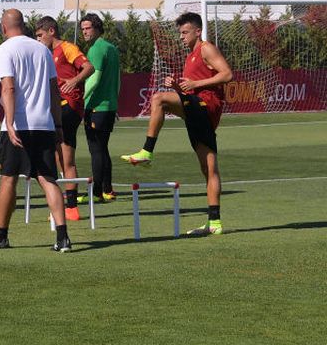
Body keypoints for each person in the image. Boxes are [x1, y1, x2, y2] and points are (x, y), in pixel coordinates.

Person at [121, 12, 232, 236]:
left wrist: (194, 83)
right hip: (196, 109)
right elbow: (191, 90)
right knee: (208, 168)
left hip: (206, 105)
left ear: (198, 31)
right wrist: (178, 87)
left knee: (158, 99)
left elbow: (227, 74)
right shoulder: (190, 56)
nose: (181, 37)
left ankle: (147, 151)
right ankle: (215, 222)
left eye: (184, 32)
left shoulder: (206, 48)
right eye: (179, 33)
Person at [0, 9, 71, 252]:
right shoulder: (43, 49)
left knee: (9, 179)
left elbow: (8, 88)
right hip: (44, 124)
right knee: (48, 179)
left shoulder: (4, 49)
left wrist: (9, 123)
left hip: (19, 125)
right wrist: (58, 125)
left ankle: (1, 236)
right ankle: (62, 237)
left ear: (3, 27)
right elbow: (54, 92)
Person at [35, 16, 93, 220]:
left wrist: (74, 80)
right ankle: (70, 207)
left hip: (69, 106)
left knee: (52, 150)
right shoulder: (47, 53)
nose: (39, 40)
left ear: (52, 31)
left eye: (40, 35)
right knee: (64, 156)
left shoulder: (67, 48)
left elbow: (89, 67)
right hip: (60, 107)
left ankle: (67, 205)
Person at [79, 13, 120, 203]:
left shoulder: (96, 49)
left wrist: (80, 100)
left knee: (96, 150)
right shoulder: (111, 48)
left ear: (97, 28)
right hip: (108, 106)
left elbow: (94, 79)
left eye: (88, 28)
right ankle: (107, 189)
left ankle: (95, 193)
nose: (84, 32)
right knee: (102, 149)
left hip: (96, 107)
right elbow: (117, 81)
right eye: (82, 28)